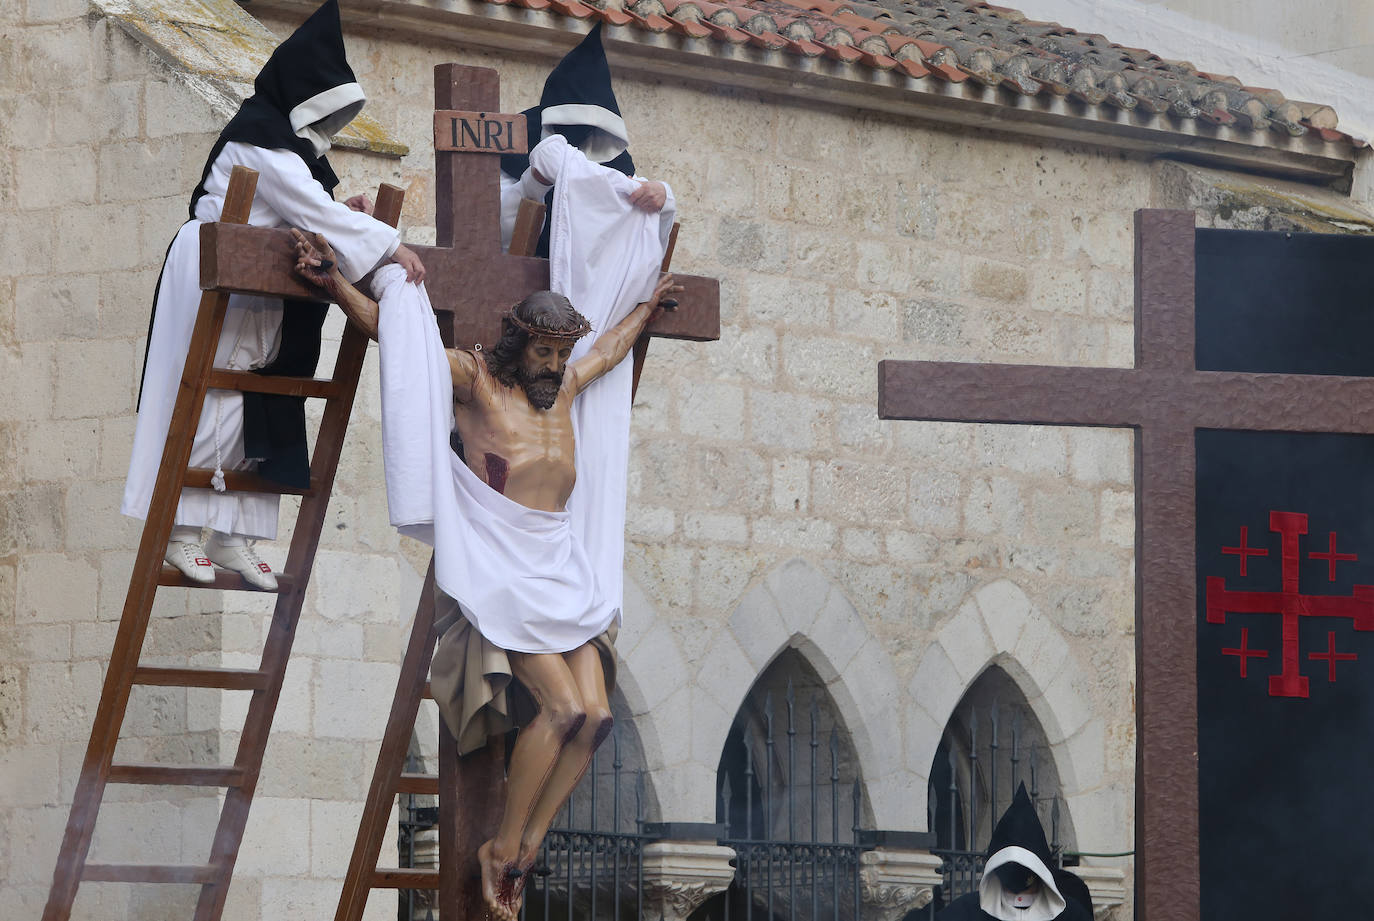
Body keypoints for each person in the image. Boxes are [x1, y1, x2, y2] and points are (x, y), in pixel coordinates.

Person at [294, 127, 679, 920]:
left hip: (561, 561)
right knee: (564, 709)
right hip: (504, 567)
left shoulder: (566, 386)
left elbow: (609, 349)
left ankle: (528, 839)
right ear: (518, 342)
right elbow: (395, 338)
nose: (553, 366)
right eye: (543, 353)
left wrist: (649, 304)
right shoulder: (475, 382)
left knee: (599, 716)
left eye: (558, 353)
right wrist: (339, 284)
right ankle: (501, 846)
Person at [121, 0, 424, 590]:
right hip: (218, 275)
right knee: (212, 395)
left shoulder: (287, 152)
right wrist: (390, 246)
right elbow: (304, 205)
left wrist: (344, 209)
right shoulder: (259, 141)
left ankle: (235, 537)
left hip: (261, 287)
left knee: (259, 401)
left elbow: (308, 205)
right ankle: (182, 532)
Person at [499, 23, 670, 255]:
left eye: (589, 125)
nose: (577, 132)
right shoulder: (517, 139)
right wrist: (535, 183)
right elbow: (494, 226)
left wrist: (662, 193)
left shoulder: (614, 158)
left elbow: (647, 221)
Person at [936, 784, 1092, 921]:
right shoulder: (965, 912)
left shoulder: (1070, 915)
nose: (1014, 867)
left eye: (1024, 862)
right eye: (1008, 862)